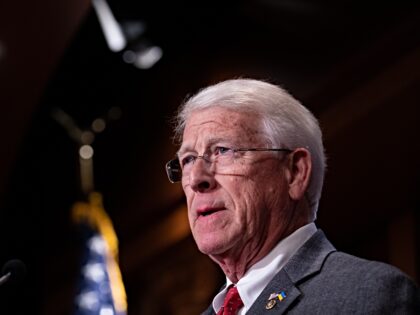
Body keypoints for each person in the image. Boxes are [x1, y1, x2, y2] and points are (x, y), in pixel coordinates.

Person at [165, 78, 420, 314]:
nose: (197, 178)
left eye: (223, 150)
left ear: (295, 172)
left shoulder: (366, 294)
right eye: (187, 160)